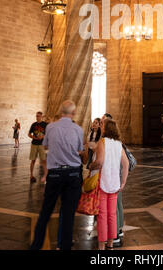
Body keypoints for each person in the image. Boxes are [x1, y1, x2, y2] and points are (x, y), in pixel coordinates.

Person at [30, 100, 84, 251]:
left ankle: (36, 246)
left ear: (61, 112)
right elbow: (80, 149)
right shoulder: (78, 129)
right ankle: (65, 247)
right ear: (73, 113)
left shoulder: (51, 127)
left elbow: (45, 145)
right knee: (68, 215)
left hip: (54, 174)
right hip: (73, 174)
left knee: (46, 211)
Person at [89, 118, 129, 250]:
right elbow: (126, 164)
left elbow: (99, 162)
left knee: (102, 215)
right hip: (115, 184)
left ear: (106, 128)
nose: (101, 126)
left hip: (103, 183)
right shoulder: (118, 143)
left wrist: (90, 165)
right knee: (112, 215)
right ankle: (110, 244)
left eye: (102, 125)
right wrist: (123, 181)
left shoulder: (102, 142)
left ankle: (101, 245)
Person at [28, 112, 48, 183]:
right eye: (36, 116)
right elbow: (29, 134)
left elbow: (48, 133)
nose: (37, 117)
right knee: (33, 160)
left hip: (42, 144)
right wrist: (33, 137)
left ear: (41, 117)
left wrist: (43, 136)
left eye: (38, 116)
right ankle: (31, 175)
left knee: (44, 161)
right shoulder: (33, 124)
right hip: (34, 144)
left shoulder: (45, 124)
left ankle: (46, 176)